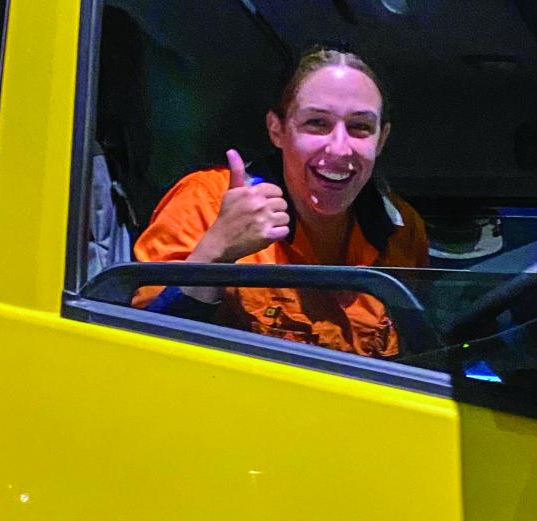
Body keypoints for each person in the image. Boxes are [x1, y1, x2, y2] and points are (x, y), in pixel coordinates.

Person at [132, 47, 428, 357]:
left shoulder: (403, 230)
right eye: (317, 122)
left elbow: (419, 357)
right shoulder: (206, 200)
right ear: (277, 130)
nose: (340, 149)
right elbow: (139, 351)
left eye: (360, 127)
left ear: (381, 140)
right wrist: (216, 252)